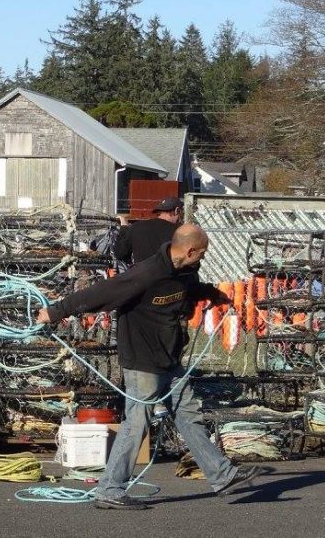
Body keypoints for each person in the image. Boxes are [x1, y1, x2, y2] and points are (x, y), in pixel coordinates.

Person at [37, 224, 263, 509]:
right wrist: (55, 312)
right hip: (142, 358)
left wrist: (210, 293)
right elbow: (99, 293)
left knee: (188, 413)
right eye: (201, 253)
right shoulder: (146, 273)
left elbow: (190, 290)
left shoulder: (186, 273)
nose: (203, 258)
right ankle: (110, 488)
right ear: (190, 250)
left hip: (168, 358)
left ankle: (223, 475)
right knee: (137, 422)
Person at [112, 196, 184, 265]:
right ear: (177, 210)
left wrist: (124, 228)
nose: (181, 219)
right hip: (171, 276)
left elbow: (119, 254)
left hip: (142, 276)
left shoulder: (136, 228)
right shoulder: (179, 233)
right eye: (182, 213)